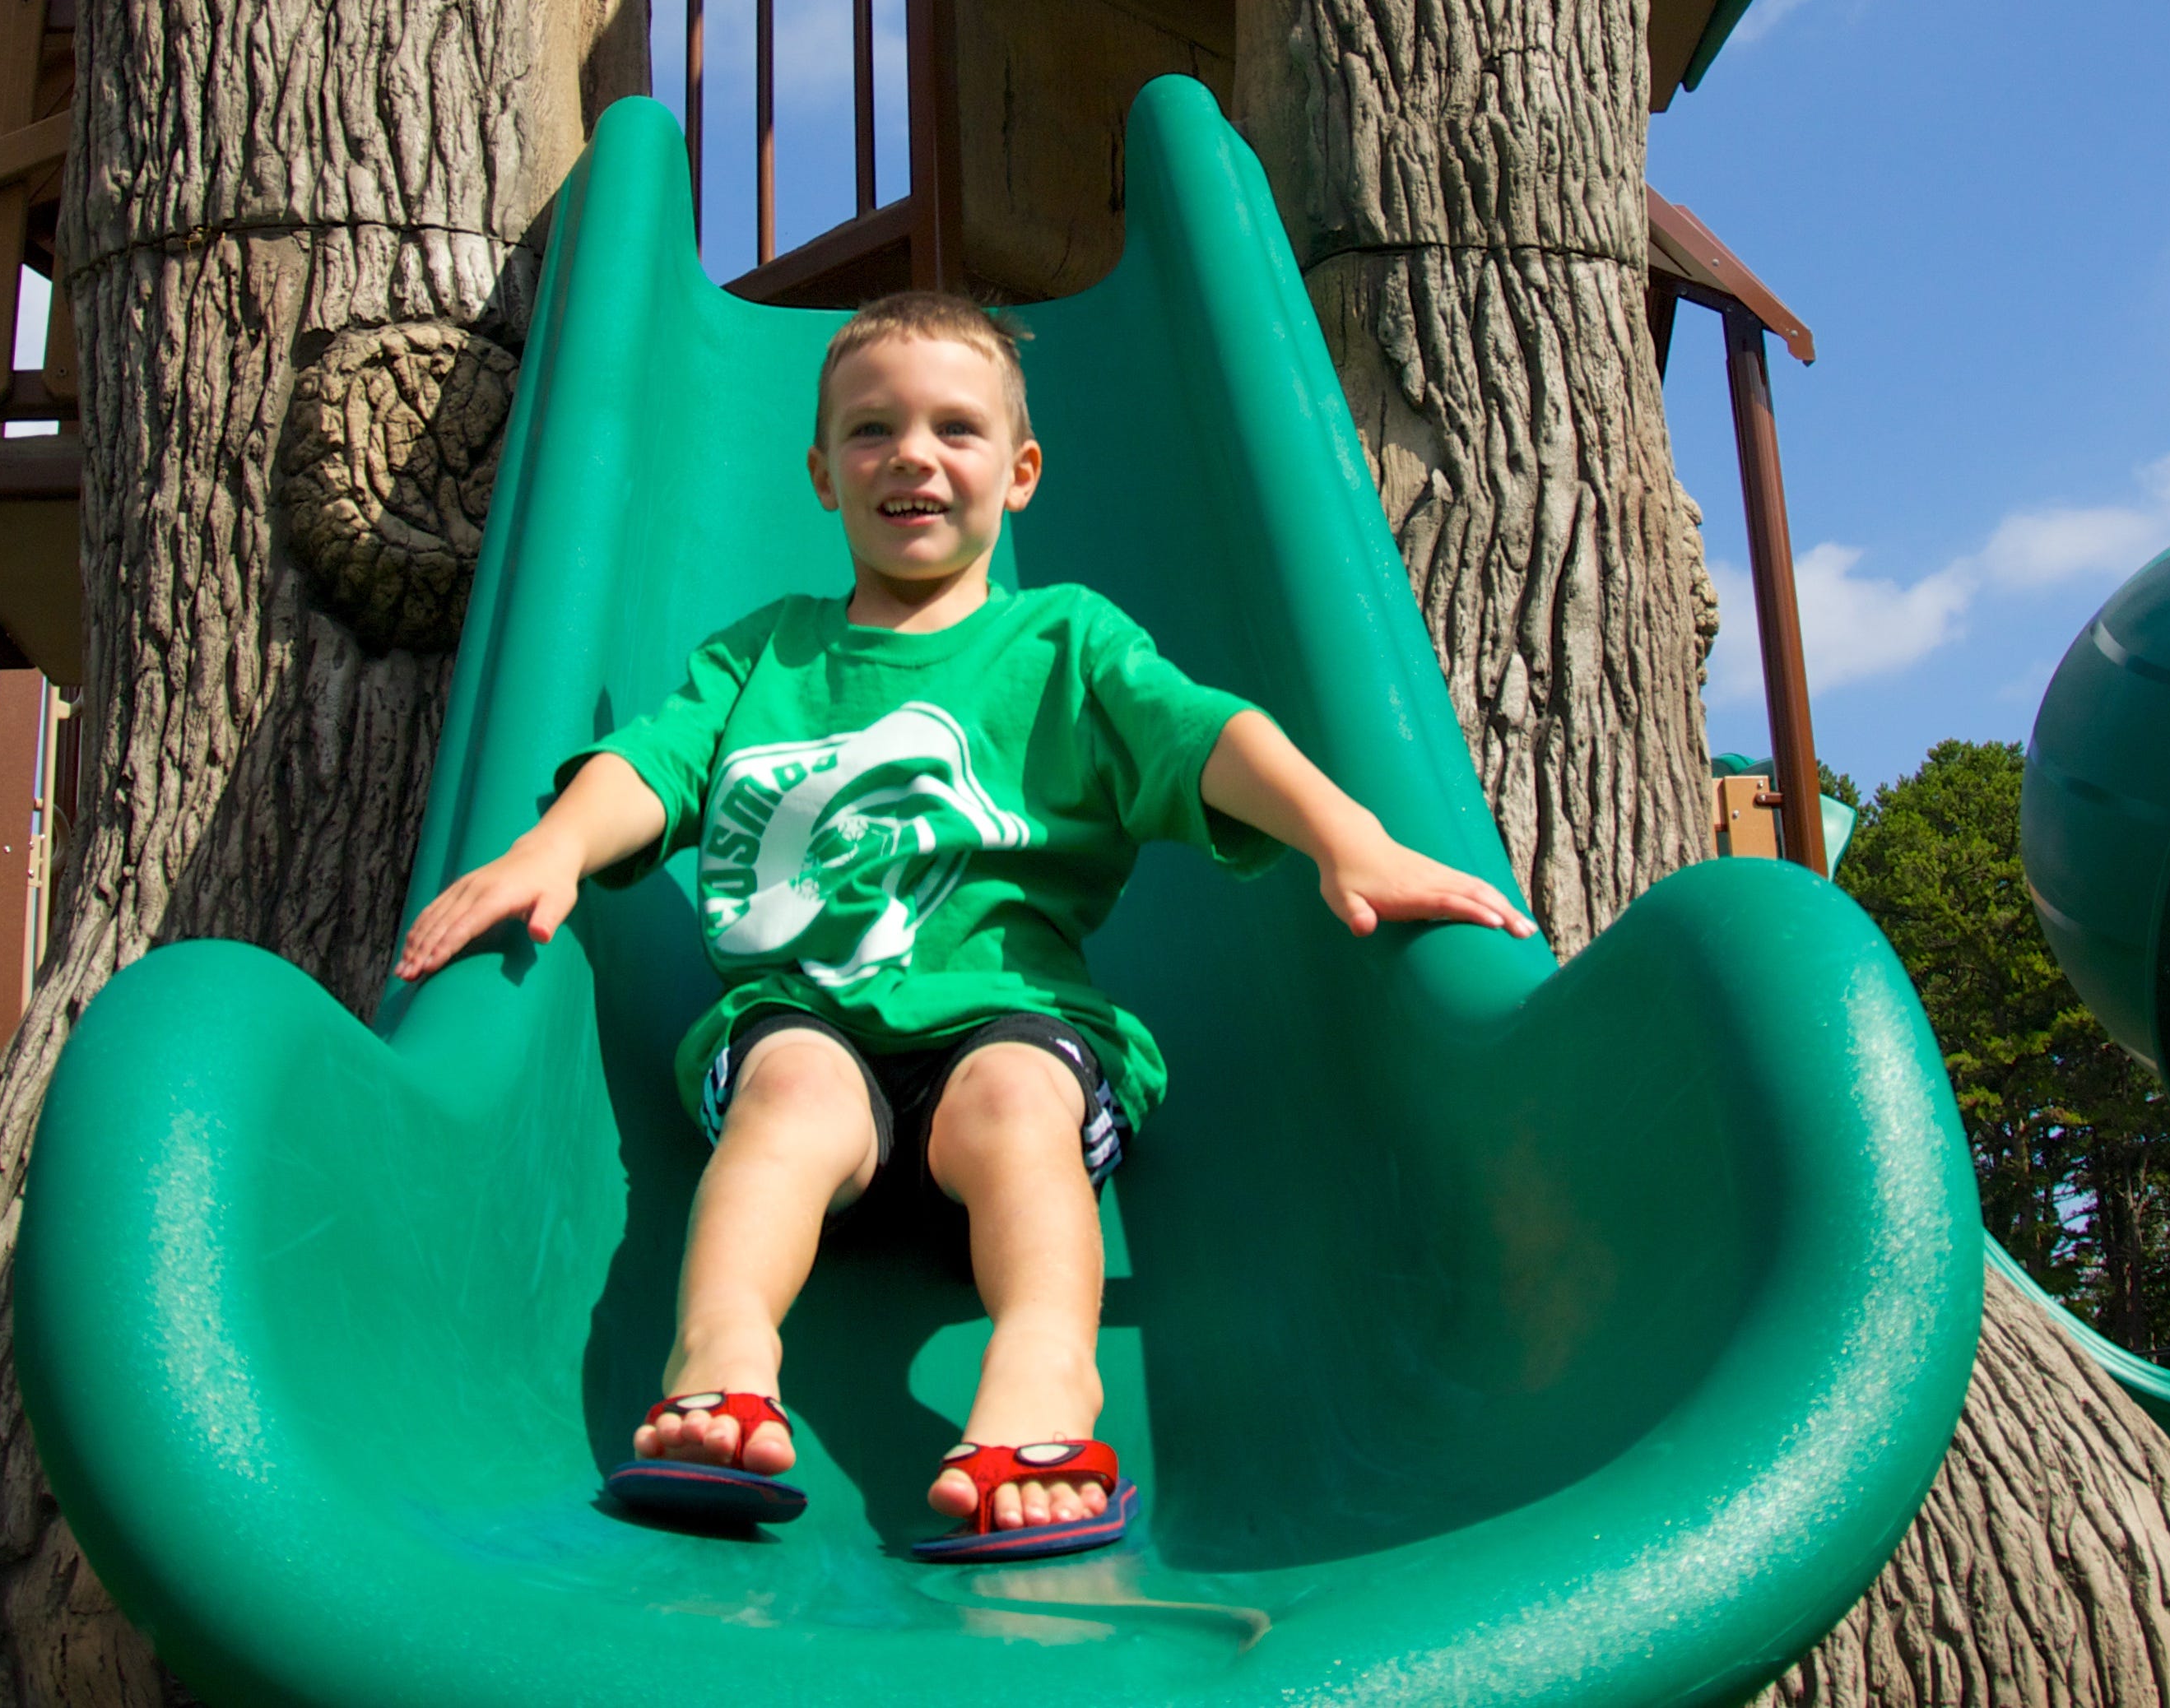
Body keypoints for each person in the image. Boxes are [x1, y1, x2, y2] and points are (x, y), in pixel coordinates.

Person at [391, 286, 1534, 1562]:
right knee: (787, 1099)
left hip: (1012, 1015)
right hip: (803, 1013)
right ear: (821, 475)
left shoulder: (1064, 641)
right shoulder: (765, 656)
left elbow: (1204, 733)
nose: (913, 457)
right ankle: (719, 1356)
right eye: (871, 433)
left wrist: (1347, 837)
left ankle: (1045, 1380)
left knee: (1013, 1107)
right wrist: (550, 849)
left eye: (956, 429)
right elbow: (650, 763)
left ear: (1021, 470)